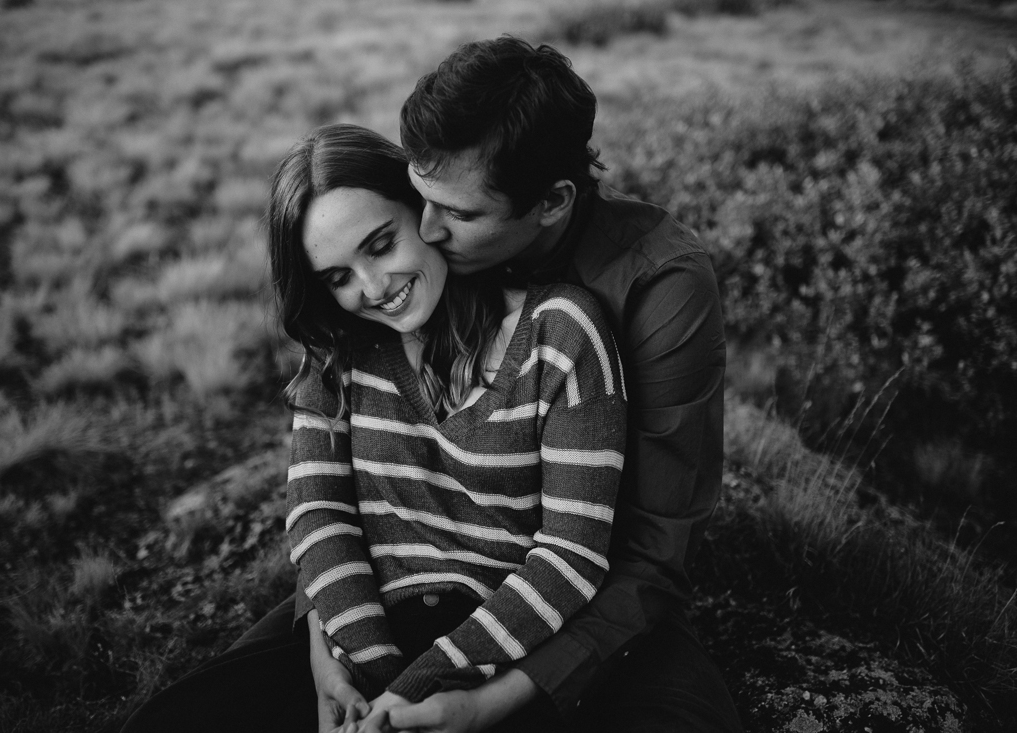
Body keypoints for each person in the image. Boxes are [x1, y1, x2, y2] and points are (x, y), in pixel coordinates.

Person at [121, 123, 627, 733]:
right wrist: (354, 668)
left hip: (494, 643)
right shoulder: (340, 351)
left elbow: (572, 554)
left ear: (423, 208)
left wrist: (418, 690)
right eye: (336, 277)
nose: (372, 288)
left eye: (381, 244)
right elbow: (319, 515)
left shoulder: (559, 335)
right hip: (358, 625)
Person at [310, 37, 743, 733]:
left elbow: (654, 555)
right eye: (420, 197)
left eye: (459, 213)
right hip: (411, 576)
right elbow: (337, 471)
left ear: (551, 202)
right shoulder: (425, 250)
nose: (424, 229)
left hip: (587, 589)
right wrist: (325, 640)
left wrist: (497, 701)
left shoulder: (662, 286)